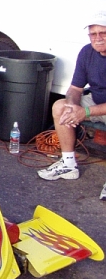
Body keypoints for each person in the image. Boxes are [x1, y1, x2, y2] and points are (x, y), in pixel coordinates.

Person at [37, 12, 106, 200]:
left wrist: (85, 112)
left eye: (103, 33)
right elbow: (75, 88)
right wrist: (73, 106)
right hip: (95, 101)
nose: (98, 38)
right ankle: (68, 164)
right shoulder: (87, 52)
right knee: (60, 107)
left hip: (99, 107)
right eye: (93, 34)